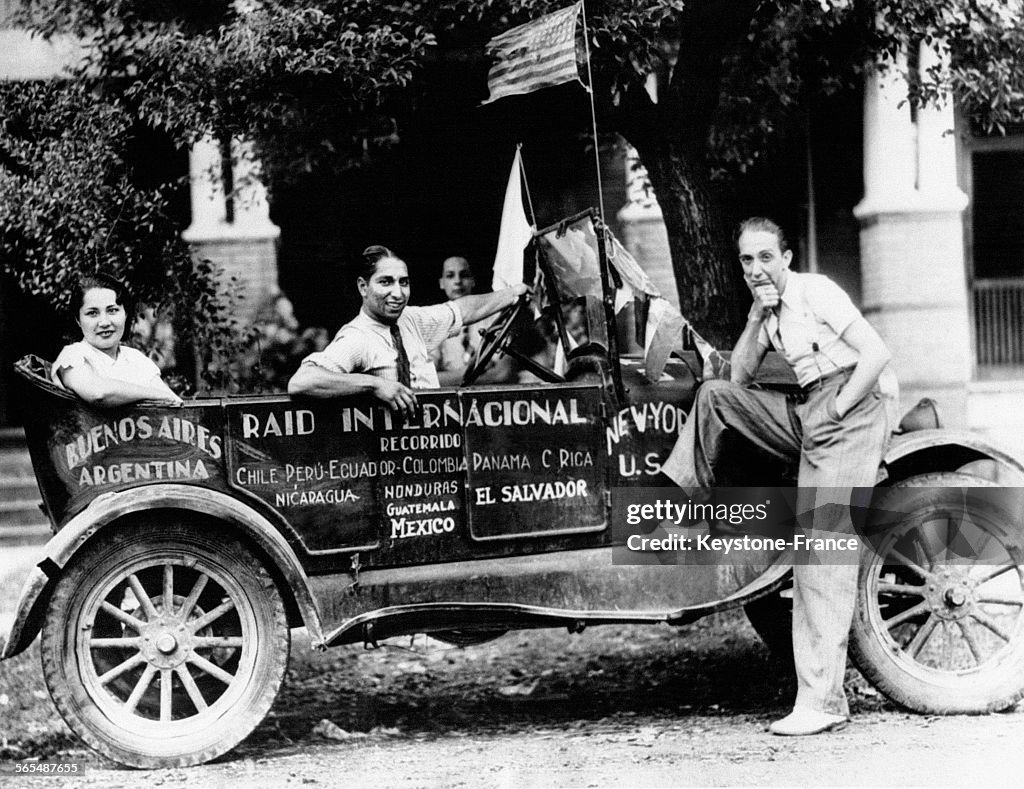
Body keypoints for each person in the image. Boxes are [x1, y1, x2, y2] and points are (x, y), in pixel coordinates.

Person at [661, 217, 897, 736]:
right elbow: (739, 379)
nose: (756, 268)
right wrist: (754, 318)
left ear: (787, 257)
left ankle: (824, 703)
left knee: (820, 548)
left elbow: (876, 354)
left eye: (766, 257)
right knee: (716, 397)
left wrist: (836, 409)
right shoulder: (769, 312)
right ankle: (681, 506)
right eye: (747, 260)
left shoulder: (817, 291)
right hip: (809, 407)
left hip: (849, 409)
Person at [287, 245, 529, 411]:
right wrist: (374, 385)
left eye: (403, 282)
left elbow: (463, 310)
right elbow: (302, 381)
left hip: (432, 448)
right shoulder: (357, 337)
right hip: (390, 463)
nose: (398, 293)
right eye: (385, 282)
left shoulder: (412, 319)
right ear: (363, 287)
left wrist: (512, 293)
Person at [52, 273, 183, 407]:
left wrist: (165, 396)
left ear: (125, 314)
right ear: (78, 320)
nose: (104, 322)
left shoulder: (136, 359)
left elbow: (174, 403)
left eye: (112, 310)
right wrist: (157, 395)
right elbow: (97, 393)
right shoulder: (73, 356)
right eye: (92, 313)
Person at [432, 255, 516, 385]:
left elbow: (502, 373)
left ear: (473, 281)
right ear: (441, 283)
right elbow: (428, 378)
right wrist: (465, 374)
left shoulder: (498, 319)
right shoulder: (434, 324)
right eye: (450, 275)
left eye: (464, 275)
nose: (457, 281)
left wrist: (454, 377)